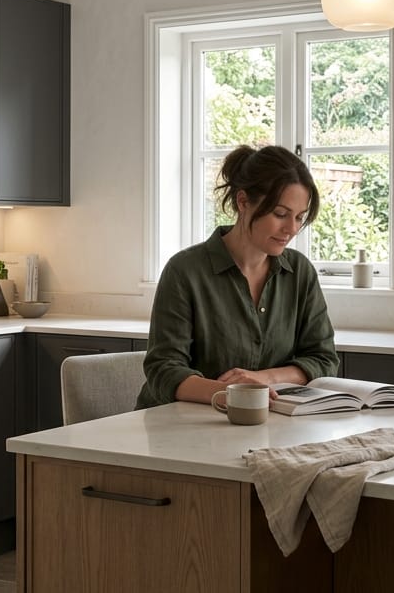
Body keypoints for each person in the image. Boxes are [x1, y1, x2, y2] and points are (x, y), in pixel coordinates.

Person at [137, 144, 339, 408]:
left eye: (299, 217)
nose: (291, 229)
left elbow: (323, 359)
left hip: (263, 427)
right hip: (175, 427)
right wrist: (236, 392)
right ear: (243, 202)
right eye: (280, 214)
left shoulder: (300, 272)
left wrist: (262, 379)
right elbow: (163, 370)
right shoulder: (184, 271)